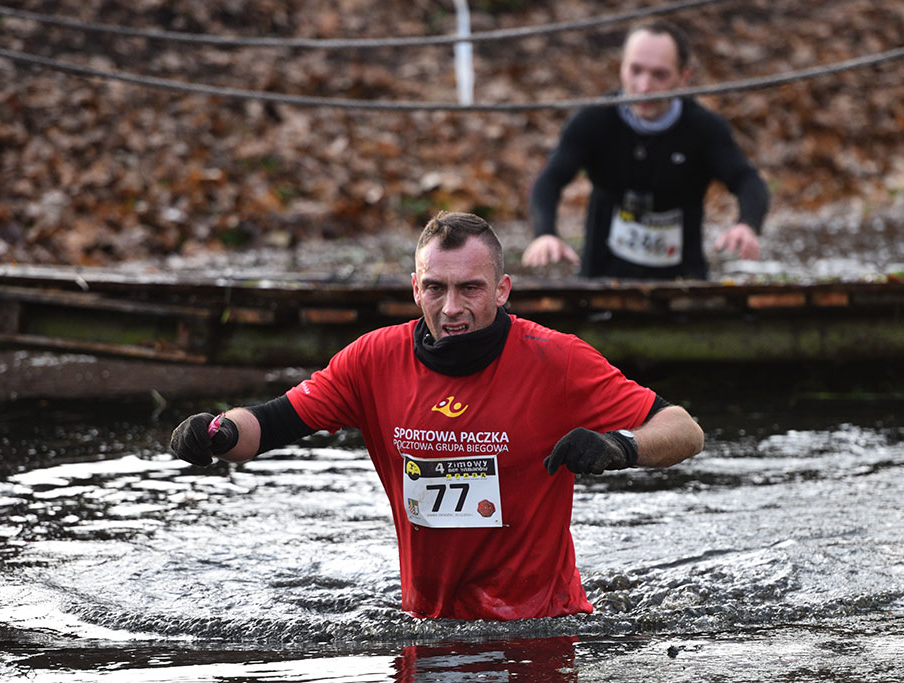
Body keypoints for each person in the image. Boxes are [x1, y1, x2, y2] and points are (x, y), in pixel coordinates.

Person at [170, 211, 704, 621]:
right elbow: (268, 425)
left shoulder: (556, 359)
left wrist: (619, 446)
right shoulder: (373, 360)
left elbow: (684, 430)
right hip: (426, 628)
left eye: (470, 288)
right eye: (435, 288)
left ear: (501, 290)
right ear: (415, 288)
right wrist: (216, 431)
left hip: (543, 625)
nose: (451, 308)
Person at [522, 20, 770, 279]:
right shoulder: (593, 120)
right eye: (635, 70)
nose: (644, 86)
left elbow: (747, 179)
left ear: (684, 77)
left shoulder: (704, 128)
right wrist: (545, 233)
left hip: (683, 279)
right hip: (601, 277)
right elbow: (549, 180)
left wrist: (747, 223)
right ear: (621, 68)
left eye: (659, 75)